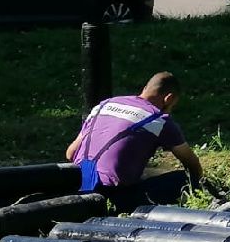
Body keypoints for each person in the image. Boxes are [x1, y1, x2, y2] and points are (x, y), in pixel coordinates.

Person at [66, 71, 203, 211]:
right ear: (169, 98)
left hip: (78, 184)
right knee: (184, 179)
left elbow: (71, 153)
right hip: (112, 196)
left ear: (145, 89)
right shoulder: (159, 120)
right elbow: (192, 164)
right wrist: (200, 183)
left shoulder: (104, 105)